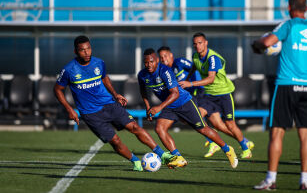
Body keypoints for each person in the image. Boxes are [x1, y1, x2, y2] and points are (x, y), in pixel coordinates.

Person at [54, 35, 181, 172]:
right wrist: (69, 109)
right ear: (76, 51)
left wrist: (115, 94)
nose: (87, 52)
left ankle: (162, 155)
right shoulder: (69, 70)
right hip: (91, 113)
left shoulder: (99, 63)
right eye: (82, 50)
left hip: (109, 104)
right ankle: (135, 161)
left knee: (134, 127)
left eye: (89, 49)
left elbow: (104, 78)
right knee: (115, 141)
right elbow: (57, 89)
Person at [251, 0, 307, 191]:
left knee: (276, 133)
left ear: (289, 8)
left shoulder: (288, 25)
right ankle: (305, 181)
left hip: (286, 85)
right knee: (306, 136)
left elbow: (267, 42)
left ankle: (271, 180)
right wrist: (306, 53)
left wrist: (257, 45)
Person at [138, 48, 239, 169]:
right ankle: (178, 158)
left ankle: (228, 149)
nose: (149, 65)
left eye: (151, 61)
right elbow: (142, 90)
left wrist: (158, 107)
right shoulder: (142, 75)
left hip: (184, 102)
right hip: (168, 105)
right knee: (160, 128)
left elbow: (175, 93)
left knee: (203, 129)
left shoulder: (165, 71)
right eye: (146, 62)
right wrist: (148, 107)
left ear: (157, 61)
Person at [157, 46, 252, 158]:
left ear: (171, 55)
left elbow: (194, 68)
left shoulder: (179, 62)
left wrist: (192, 83)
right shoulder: (166, 71)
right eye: (161, 57)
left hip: (198, 93)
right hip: (191, 96)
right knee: (217, 125)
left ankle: (214, 142)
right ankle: (243, 141)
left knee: (198, 118)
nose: (163, 59)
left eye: (165, 56)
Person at [179, 32, 254, 159]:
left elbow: (211, 79)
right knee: (196, 116)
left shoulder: (213, 58)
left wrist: (190, 83)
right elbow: (194, 67)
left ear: (206, 43)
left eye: (200, 43)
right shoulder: (195, 56)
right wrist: (186, 78)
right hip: (209, 95)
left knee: (230, 124)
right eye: (195, 44)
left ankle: (245, 147)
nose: (197, 46)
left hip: (223, 94)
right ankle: (213, 141)